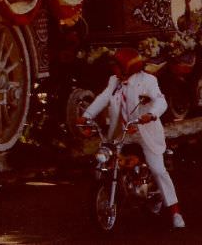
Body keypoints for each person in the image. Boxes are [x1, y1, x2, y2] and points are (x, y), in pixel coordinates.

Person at [79, 47, 185, 229]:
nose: (114, 70)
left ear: (129, 67)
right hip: (123, 132)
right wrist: (86, 115)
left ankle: (175, 212)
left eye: (117, 66)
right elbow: (103, 97)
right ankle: (120, 191)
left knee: (158, 169)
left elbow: (161, 101)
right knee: (108, 160)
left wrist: (151, 114)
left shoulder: (148, 80)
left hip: (146, 132)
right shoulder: (115, 81)